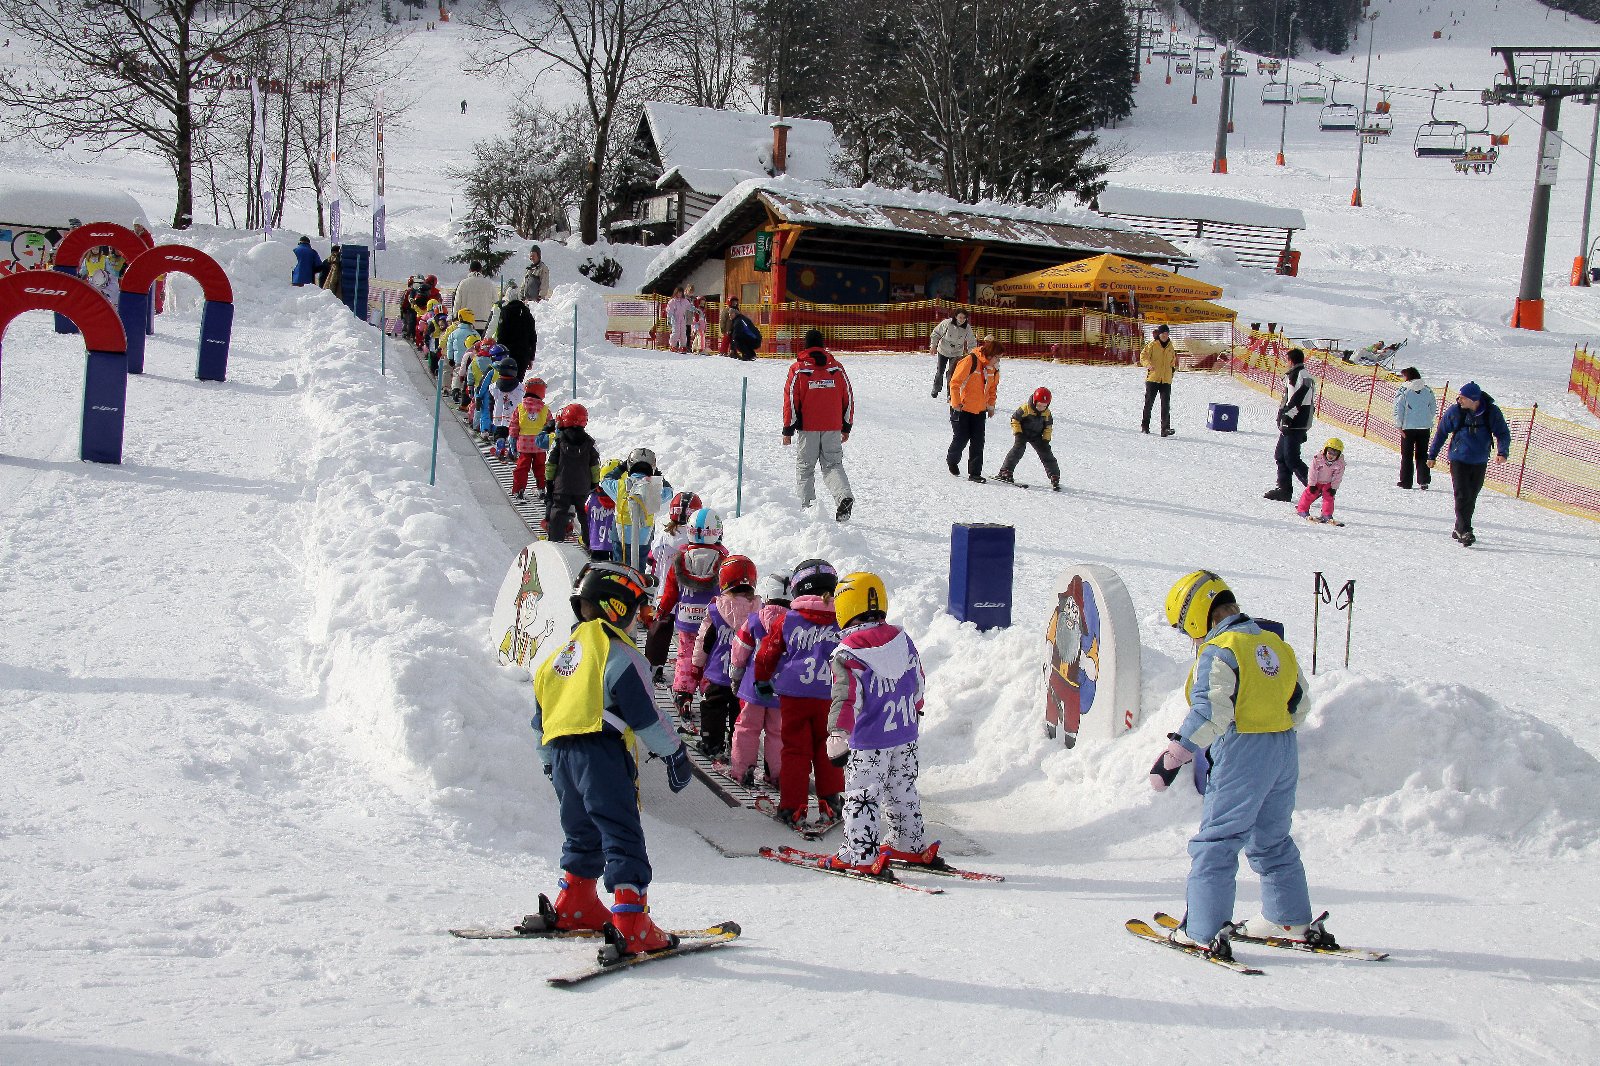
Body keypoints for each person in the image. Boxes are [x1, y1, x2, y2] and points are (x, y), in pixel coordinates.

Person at [1150, 570, 1327, 962]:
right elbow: (1299, 703)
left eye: (1186, 630)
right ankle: (1289, 918)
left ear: (1195, 618)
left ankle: (1202, 930)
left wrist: (1174, 756)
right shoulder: (1275, 645)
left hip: (1242, 749)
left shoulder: (1220, 650)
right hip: (1283, 749)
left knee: (1218, 841)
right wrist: (1272, 727)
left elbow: (1210, 712)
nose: (1191, 639)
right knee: (1271, 837)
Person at [530, 561, 693, 953]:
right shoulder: (618, 654)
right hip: (600, 754)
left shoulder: (555, 659)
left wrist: (549, 762)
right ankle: (632, 924)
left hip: (562, 757)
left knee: (581, 831)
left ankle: (576, 901)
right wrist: (674, 752)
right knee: (622, 832)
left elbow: (540, 721)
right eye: (637, 612)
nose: (639, 622)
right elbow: (646, 716)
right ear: (618, 608)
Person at [822, 572, 936, 874]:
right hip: (905, 732)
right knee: (902, 789)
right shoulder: (902, 640)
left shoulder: (848, 654)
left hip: (869, 742)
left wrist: (837, 735)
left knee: (863, 794)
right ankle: (909, 842)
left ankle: (859, 853)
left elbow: (846, 698)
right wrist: (916, 707)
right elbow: (917, 680)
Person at [753, 559, 845, 829]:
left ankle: (793, 807)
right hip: (830, 695)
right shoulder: (842, 621)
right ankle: (830, 801)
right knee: (828, 747)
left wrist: (762, 678)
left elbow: (767, 652)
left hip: (794, 695)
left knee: (795, 750)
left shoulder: (788, 619)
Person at [654, 508, 728, 723]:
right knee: (709, 657)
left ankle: (683, 694)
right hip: (713, 621)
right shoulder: (723, 561)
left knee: (686, 656)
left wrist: (662, 610)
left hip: (687, 620)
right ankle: (708, 693)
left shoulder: (681, 559)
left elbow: (670, 592)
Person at [689, 555, 760, 761]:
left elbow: (705, 640)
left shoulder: (715, 610)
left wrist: (697, 664)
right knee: (740, 714)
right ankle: (738, 749)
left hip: (718, 674)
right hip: (745, 676)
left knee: (713, 707)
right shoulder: (758, 612)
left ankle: (712, 743)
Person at [782, 328, 856, 521]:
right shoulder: (837, 368)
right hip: (832, 426)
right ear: (822, 346)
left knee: (805, 469)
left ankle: (808, 512)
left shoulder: (798, 369)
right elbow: (848, 396)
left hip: (808, 428)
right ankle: (844, 497)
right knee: (833, 465)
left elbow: (791, 400)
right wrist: (846, 425)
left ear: (805, 346)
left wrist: (788, 429)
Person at [1428, 381, 1510, 547]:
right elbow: (1441, 432)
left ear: (1474, 399)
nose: (1459, 400)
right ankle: (1466, 530)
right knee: (1462, 494)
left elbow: (1502, 433)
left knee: (1471, 496)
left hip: (1480, 460)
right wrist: (1432, 455)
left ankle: (1459, 527)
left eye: (1463, 397)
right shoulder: (1455, 411)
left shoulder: (1491, 412)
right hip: (1459, 459)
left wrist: (1502, 452)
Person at [727, 573, 788, 790]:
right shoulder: (795, 624)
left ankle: (742, 769)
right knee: (777, 733)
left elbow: (739, 651)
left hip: (752, 688)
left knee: (746, 728)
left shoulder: (754, 621)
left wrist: (735, 676)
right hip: (781, 690)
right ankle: (777, 774)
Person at [644, 491, 702, 679]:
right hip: (688, 593)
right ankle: (691, 667)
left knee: (660, 628)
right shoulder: (695, 538)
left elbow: (652, 560)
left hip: (664, 590)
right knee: (690, 633)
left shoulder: (664, 535)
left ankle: (653, 665)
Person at [1264, 349, 1316, 502]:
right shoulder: (1295, 375)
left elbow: (1297, 400)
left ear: (1291, 361)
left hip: (1295, 423)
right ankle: (1284, 490)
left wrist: (1287, 417)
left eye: (1287, 360)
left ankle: (1314, 488)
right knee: (1280, 455)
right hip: (1292, 422)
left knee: (1291, 458)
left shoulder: (1300, 376)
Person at [544, 404, 601, 545]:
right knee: (586, 514)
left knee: (558, 513)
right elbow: (595, 466)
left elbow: (550, 464)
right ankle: (590, 543)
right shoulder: (590, 442)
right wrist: (595, 483)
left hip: (562, 486)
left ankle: (555, 541)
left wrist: (549, 482)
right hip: (583, 487)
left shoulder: (558, 441)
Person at [946, 337, 1001, 483]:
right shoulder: (970, 360)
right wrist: (956, 403)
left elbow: (993, 389)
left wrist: (991, 406)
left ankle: (975, 473)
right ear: (990, 355)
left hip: (979, 411)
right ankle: (952, 460)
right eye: (997, 357)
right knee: (961, 438)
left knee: (978, 442)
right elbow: (955, 383)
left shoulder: (993, 369)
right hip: (962, 409)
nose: (998, 361)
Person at [995, 386, 1061, 490]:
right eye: (1039, 405)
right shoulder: (1025, 408)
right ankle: (1005, 471)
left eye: (1044, 406)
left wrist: (1046, 439)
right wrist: (1018, 433)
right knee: (1018, 450)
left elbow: (1048, 427)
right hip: (1023, 433)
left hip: (1037, 435)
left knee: (1046, 453)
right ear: (1034, 401)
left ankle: (1054, 475)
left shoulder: (1047, 413)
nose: (1041, 408)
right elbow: (1015, 419)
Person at [1393, 367, 1436, 490]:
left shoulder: (1403, 390)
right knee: (1422, 454)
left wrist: (1398, 425)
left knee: (1407, 455)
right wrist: (1427, 419)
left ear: (1408, 377)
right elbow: (1433, 407)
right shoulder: (1427, 390)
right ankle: (1424, 480)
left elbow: (1398, 408)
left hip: (1408, 428)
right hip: (1424, 427)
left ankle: (1406, 482)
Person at [509, 377, 551, 501]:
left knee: (522, 468)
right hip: (540, 445)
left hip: (524, 445)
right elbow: (550, 425)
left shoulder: (520, 408)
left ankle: (518, 490)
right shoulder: (545, 409)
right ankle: (541, 489)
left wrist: (513, 439)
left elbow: (514, 424)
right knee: (540, 467)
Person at [929, 309, 977, 399]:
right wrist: (933, 346)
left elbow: (972, 342)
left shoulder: (967, 328)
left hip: (956, 353)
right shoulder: (947, 323)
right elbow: (936, 333)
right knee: (940, 371)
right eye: (960, 317)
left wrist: (972, 353)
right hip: (943, 350)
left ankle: (950, 393)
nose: (962, 320)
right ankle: (936, 388)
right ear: (955, 317)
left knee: (952, 373)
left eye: (964, 318)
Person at [1139, 324, 1177, 436]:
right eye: (1163, 333)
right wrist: (1148, 365)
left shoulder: (1170, 346)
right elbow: (1143, 356)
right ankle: (1145, 426)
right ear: (1159, 334)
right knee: (1149, 403)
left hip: (1166, 380)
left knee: (1166, 405)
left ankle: (1165, 429)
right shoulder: (1152, 345)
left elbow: (1173, 361)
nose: (1165, 335)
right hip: (1153, 378)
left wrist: (1172, 371)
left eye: (1167, 333)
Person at [1296, 438, 1346, 524]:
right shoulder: (1318, 459)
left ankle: (1326, 514)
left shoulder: (1339, 463)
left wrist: (1334, 487)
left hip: (1328, 483)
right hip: (1316, 481)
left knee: (1329, 497)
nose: (1331, 456)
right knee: (1309, 494)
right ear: (1325, 450)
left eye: (1335, 454)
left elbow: (1338, 476)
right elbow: (1313, 471)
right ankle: (1302, 509)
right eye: (1330, 452)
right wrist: (1312, 484)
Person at [454, 259, 499, 324]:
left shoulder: (463, 283)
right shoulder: (489, 284)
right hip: (485, 322)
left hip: (467, 322)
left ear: (470, 270)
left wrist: (455, 317)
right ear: (481, 270)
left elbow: (457, 302)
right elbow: (495, 302)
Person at [665, 286, 694, 352]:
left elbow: (689, 306)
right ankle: (673, 345)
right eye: (678, 293)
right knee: (676, 332)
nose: (679, 294)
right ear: (676, 293)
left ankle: (683, 346)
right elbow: (669, 311)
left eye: (680, 293)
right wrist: (669, 319)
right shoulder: (672, 301)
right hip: (675, 319)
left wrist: (695, 310)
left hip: (682, 318)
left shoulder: (684, 301)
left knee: (683, 333)